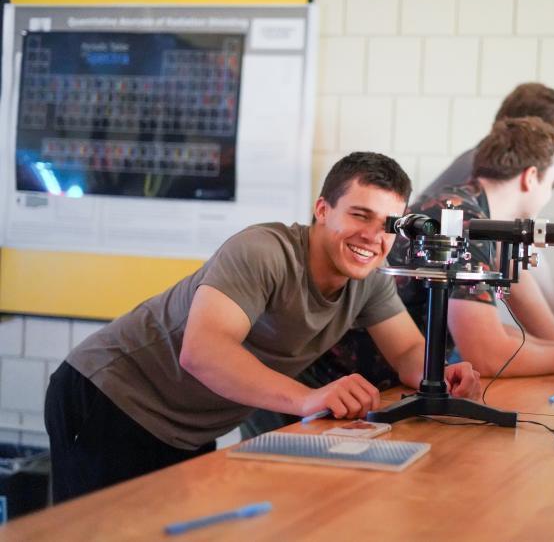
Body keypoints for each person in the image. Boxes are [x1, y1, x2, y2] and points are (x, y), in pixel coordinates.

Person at [44, 152, 481, 503]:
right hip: (109, 394)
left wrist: (439, 373)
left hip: (186, 427)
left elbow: (406, 351)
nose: (373, 236)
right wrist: (310, 398)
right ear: (322, 209)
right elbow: (202, 352)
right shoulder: (264, 251)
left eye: (388, 224)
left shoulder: (364, 281)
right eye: (359, 215)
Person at [399, 117, 554, 377]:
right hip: (376, 383)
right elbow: (486, 354)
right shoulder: (467, 224)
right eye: (552, 183)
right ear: (531, 177)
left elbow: (500, 334)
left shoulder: (463, 205)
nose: (549, 194)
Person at [424, 82, 554, 339]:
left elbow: (526, 257)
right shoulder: (491, 176)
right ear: (535, 134)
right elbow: (511, 266)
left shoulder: (492, 169)